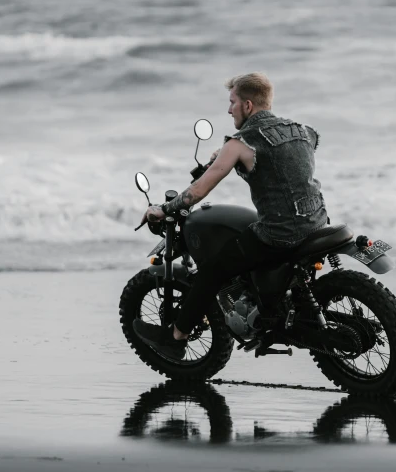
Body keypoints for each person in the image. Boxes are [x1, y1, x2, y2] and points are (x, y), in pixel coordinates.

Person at [133, 72, 328, 359]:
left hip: (280, 233)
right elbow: (286, 160)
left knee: (212, 270)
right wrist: (227, 153)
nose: (228, 109)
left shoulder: (241, 142)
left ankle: (175, 338)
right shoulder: (304, 130)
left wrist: (162, 209)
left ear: (248, 106)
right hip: (317, 223)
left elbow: (198, 191)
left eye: (232, 102)